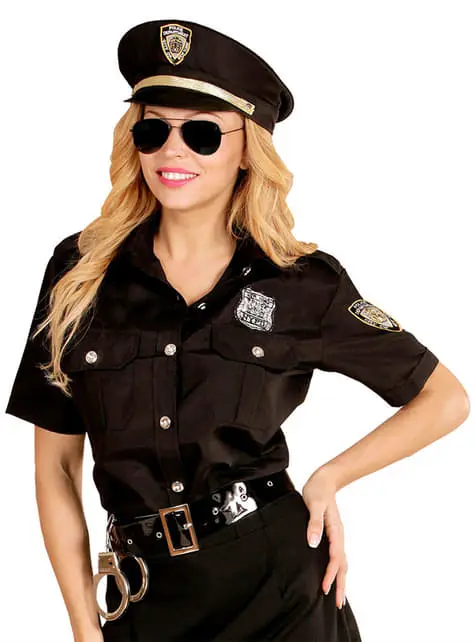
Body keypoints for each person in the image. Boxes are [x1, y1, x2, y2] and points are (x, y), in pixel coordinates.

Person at [4, 17, 469, 642]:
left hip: (277, 592)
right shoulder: (79, 272)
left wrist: (330, 476)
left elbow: (444, 398)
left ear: (248, 149)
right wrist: (84, 627)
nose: (173, 152)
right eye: (153, 129)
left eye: (201, 133)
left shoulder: (300, 282)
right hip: (143, 601)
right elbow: (56, 469)